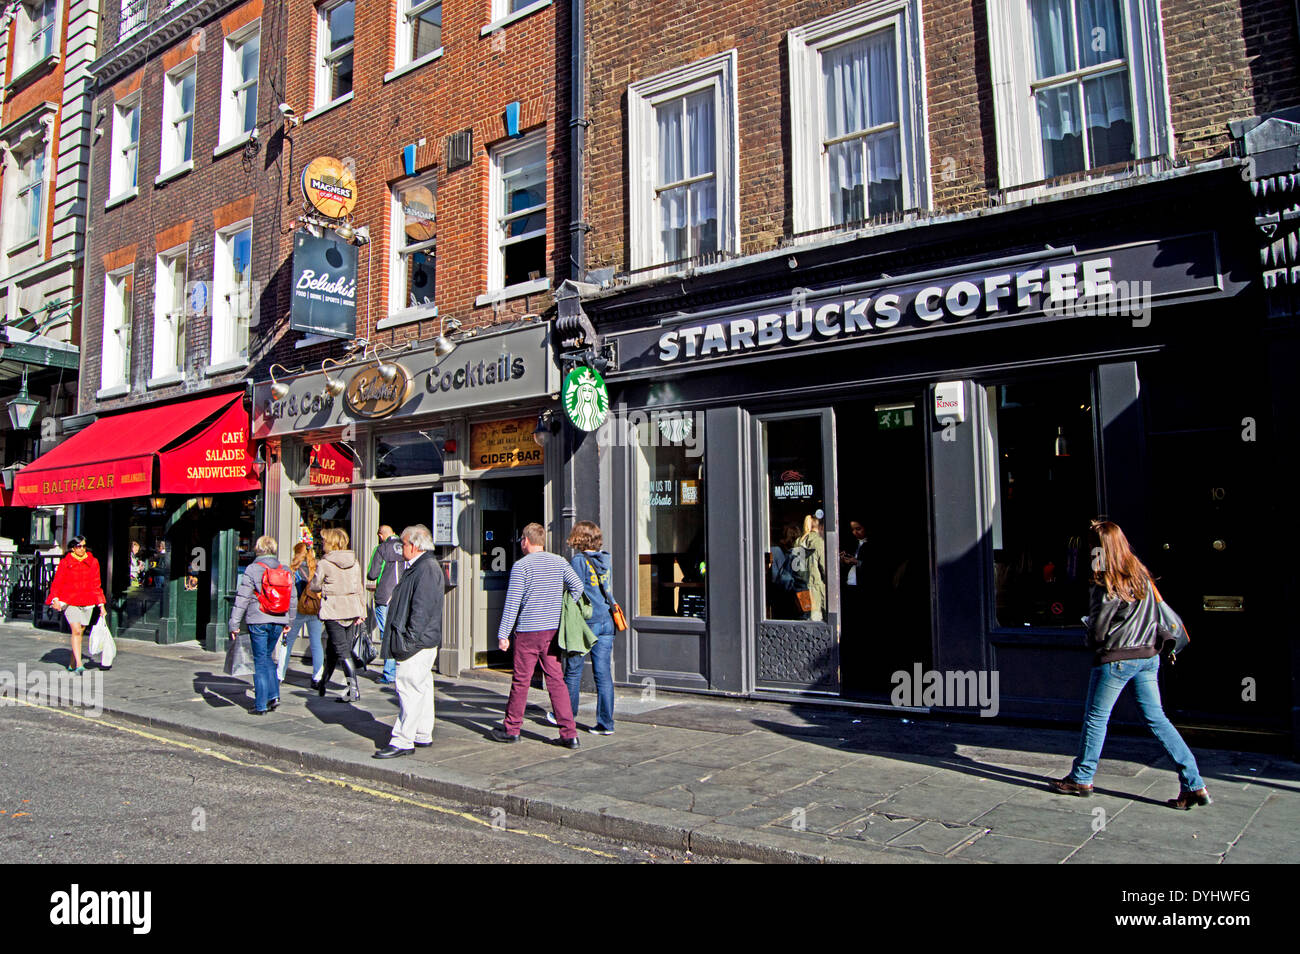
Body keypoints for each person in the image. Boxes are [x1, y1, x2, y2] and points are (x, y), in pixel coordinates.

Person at [1049, 520, 1210, 810]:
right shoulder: (1140, 575)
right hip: (1148, 657)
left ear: (1098, 550)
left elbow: (1098, 633)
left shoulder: (1104, 583)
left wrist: (1088, 627)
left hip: (1117, 660)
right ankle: (1194, 782)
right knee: (1157, 719)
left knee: (1097, 719)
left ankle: (1082, 777)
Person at [490, 522, 586, 748]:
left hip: (527, 632)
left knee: (521, 681)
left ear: (526, 540)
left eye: (522, 540)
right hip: (552, 631)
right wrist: (563, 608)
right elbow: (578, 587)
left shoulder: (522, 566)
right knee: (556, 681)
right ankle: (569, 733)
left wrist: (503, 633)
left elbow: (512, 602)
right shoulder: (559, 562)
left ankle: (512, 728)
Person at [373, 525, 446, 758]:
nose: (401, 547)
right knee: (421, 687)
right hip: (421, 640)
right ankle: (422, 733)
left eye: (403, 544)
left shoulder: (425, 568)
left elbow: (421, 610)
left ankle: (402, 739)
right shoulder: (422, 566)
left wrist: (407, 642)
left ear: (413, 546)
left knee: (408, 688)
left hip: (416, 642)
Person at [556, 521, 617, 735]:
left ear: (578, 538)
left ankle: (566, 715)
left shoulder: (579, 561)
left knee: (573, 670)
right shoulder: (605, 559)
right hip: (607, 621)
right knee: (603, 673)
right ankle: (606, 723)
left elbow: (575, 590)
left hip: (587, 622)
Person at [228, 536, 296, 715]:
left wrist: (234, 623)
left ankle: (260, 705)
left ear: (258, 549)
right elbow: (292, 598)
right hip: (279, 619)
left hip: (258, 619)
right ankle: (274, 696)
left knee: (259, 661)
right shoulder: (286, 569)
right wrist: (290, 621)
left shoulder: (252, 569)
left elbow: (242, 598)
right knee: (268, 658)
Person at [310, 527, 367, 704]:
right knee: (333, 650)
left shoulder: (324, 563)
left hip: (333, 611)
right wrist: (362, 611)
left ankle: (353, 690)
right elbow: (359, 588)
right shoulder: (354, 562)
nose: (323, 544)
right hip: (351, 610)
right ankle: (323, 683)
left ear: (330, 543)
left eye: (325, 541)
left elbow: (315, 586)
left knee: (342, 651)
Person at [45, 536, 107, 674]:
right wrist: (55, 598)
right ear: (73, 548)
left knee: (81, 631)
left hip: (87, 601)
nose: (82, 549)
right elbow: (57, 582)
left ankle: (72, 663)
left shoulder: (93, 562)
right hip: (70, 601)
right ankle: (79, 664)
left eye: (84, 546)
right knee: (76, 631)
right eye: (79, 546)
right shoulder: (65, 562)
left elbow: (96, 584)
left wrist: (101, 605)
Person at [279, 542, 324, 688]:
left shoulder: (293, 570)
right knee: (316, 644)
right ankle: (318, 677)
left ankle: (280, 674)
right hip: (314, 610)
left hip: (297, 611)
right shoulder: (315, 569)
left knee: (287, 643)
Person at [367, 525, 403, 685]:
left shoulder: (381, 548)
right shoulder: (406, 546)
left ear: (381, 535)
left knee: (386, 633)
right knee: (400, 632)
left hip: (385, 595)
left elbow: (372, 573)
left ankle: (389, 673)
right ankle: (400, 669)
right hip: (402, 594)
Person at [797, 514, 827, 621]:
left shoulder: (799, 541)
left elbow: (798, 568)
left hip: (802, 589)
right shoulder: (820, 541)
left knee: (806, 620)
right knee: (817, 622)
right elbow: (825, 568)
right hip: (817, 590)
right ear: (822, 526)